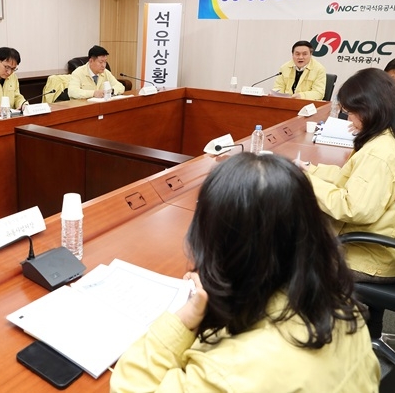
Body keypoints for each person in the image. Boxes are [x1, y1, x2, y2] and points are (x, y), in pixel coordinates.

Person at [110, 154, 380, 392]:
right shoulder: (344, 309)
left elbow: (129, 385)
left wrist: (183, 321)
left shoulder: (229, 373)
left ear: (219, 247)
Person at [299, 68, 395, 282]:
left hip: (370, 258)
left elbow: (352, 209)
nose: (350, 120)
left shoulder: (380, 152)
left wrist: (307, 181)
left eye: (351, 113)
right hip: (390, 245)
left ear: (371, 109)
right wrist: (310, 169)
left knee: (286, 248)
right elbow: (351, 177)